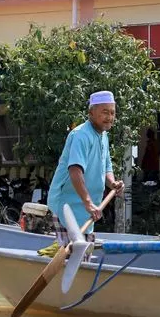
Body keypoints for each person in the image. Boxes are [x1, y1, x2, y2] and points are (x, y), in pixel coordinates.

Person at [46, 91, 125, 240]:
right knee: (70, 257)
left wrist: (113, 183)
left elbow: (106, 167)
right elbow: (75, 170)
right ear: (91, 113)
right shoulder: (80, 135)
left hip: (87, 209)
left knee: (83, 256)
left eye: (112, 113)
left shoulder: (103, 136)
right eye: (105, 112)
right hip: (67, 206)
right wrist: (88, 203)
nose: (109, 117)